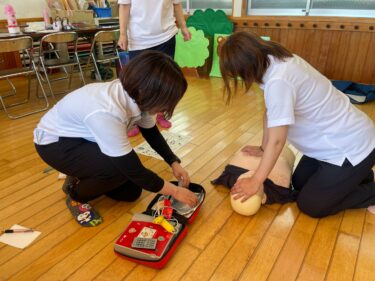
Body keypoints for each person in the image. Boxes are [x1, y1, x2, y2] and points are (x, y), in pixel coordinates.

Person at [219, 31, 375, 218]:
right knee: (300, 182)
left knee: (311, 205)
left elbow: (278, 140)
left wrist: (256, 181)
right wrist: (263, 148)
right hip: (330, 145)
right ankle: (358, 178)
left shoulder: (279, 80)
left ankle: (369, 190)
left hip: (349, 147)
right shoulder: (275, 61)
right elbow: (270, 112)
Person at [34, 51, 198, 227]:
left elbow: (151, 133)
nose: (166, 107)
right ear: (148, 93)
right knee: (119, 170)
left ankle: (82, 173)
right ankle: (75, 194)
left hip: (85, 137)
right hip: (56, 144)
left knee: (131, 193)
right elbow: (133, 169)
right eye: (166, 102)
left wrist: (173, 162)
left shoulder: (138, 97)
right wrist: (175, 191)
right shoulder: (108, 112)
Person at [117, 0, 192, 137]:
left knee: (165, 80)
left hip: (166, 35)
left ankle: (161, 113)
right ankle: (135, 119)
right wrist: (123, 34)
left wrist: (183, 27)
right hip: (138, 38)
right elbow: (124, 7)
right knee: (137, 82)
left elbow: (177, 5)